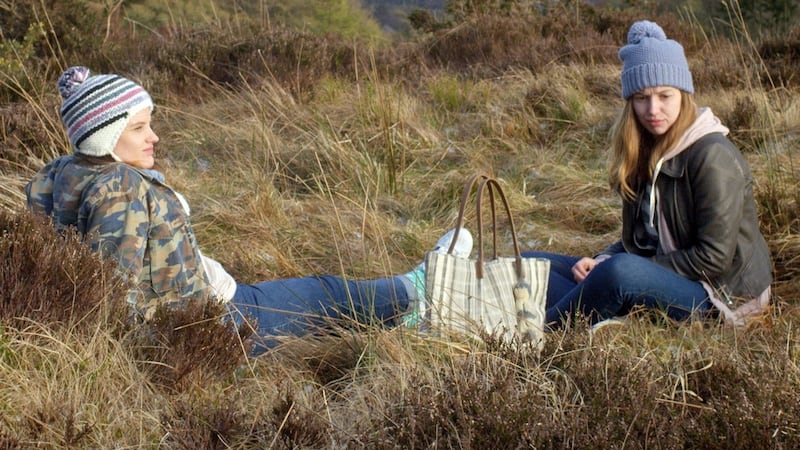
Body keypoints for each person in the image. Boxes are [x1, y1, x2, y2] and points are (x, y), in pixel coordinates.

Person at [26, 66, 473, 355]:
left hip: (201, 309)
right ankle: (421, 294)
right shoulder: (120, 187)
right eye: (139, 127)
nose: (154, 136)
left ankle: (409, 302)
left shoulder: (58, 174)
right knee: (325, 295)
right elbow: (111, 290)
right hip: (214, 326)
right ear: (102, 136)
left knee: (319, 295)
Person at [522, 20, 772, 330]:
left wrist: (614, 269)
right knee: (528, 265)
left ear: (683, 94)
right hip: (668, 273)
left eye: (664, 96)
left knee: (620, 274)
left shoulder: (712, 156)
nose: (653, 109)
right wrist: (601, 259)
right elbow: (643, 238)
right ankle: (588, 308)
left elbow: (712, 259)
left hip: (721, 296)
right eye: (641, 98)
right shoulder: (646, 149)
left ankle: (538, 337)